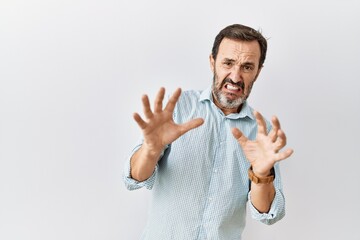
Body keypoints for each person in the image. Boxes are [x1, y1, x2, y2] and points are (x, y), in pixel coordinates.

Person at [123, 23, 294, 239]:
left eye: (247, 67)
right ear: (212, 62)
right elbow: (135, 179)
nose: (235, 76)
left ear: (258, 72)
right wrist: (150, 149)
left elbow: (267, 214)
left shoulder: (262, 133)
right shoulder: (178, 108)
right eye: (228, 63)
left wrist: (262, 176)